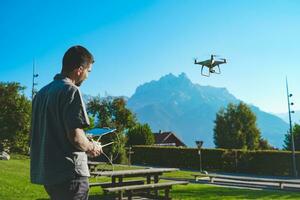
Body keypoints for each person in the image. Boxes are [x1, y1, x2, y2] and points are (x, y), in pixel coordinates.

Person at [30, 45, 102, 200]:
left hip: (49, 174)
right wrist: (92, 146)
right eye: (88, 71)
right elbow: (75, 137)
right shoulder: (71, 90)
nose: (88, 76)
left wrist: (85, 138)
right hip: (70, 175)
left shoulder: (40, 94)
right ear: (79, 70)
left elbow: (54, 131)